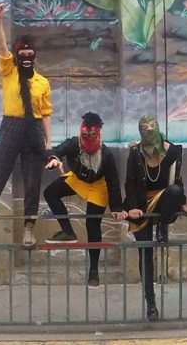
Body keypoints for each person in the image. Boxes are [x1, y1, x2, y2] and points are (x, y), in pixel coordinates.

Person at [0, 3, 53, 250]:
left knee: (32, 182)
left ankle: (29, 229)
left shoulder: (42, 82)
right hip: (11, 126)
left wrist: (48, 142)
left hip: (34, 130)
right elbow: (2, 47)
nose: (27, 57)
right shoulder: (9, 71)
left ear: (35, 56)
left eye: (30, 53)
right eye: (23, 53)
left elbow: (46, 114)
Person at [122, 115, 187, 321]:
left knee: (174, 191)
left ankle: (162, 227)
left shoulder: (172, 152)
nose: (149, 130)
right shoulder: (135, 154)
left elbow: (177, 182)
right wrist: (133, 208)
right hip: (141, 204)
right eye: (144, 127)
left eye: (152, 126)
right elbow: (130, 183)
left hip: (164, 200)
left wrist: (180, 203)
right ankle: (151, 303)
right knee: (145, 253)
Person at [43, 112, 122, 288]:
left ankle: (93, 270)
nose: (88, 139)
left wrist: (117, 208)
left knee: (92, 224)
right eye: (85, 135)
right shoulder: (73, 143)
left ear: (98, 134)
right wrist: (54, 159)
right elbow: (56, 151)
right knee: (50, 193)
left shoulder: (106, 155)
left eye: (92, 135)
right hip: (78, 179)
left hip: (98, 186)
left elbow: (113, 183)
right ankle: (67, 232)